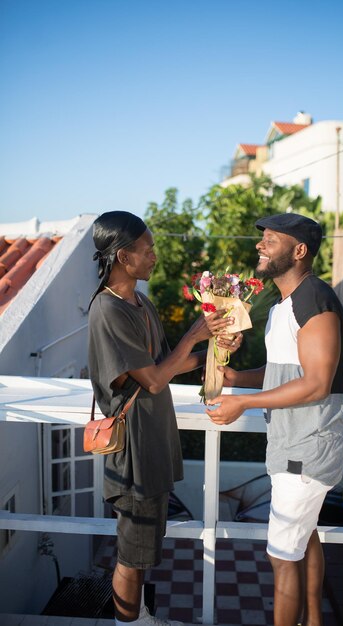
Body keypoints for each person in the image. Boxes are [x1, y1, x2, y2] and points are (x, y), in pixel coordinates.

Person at [88, 211, 240, 626]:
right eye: (147, 248)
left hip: (154, 443)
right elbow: (154, 380)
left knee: (144, 552)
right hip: (133, 450)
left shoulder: (141, 302)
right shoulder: (108, 310)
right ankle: (129, 623)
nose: (155, 255)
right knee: (131, 556)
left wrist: (218, 347)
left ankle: (139, 618)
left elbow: (171, 365)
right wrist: (195, 333)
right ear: (122, 257)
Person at [207, 213, 343, 626]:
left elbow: (318, 383)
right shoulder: (284, 304)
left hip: (308, 446)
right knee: (304, 538)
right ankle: (314, 622)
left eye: (271, 239)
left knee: (281, 554)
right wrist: (238, 379)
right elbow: (286, 373)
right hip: (293, 442)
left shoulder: (314, 300)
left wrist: (244, 405)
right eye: (262, 239)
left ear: (299, 251)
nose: (260, 246)